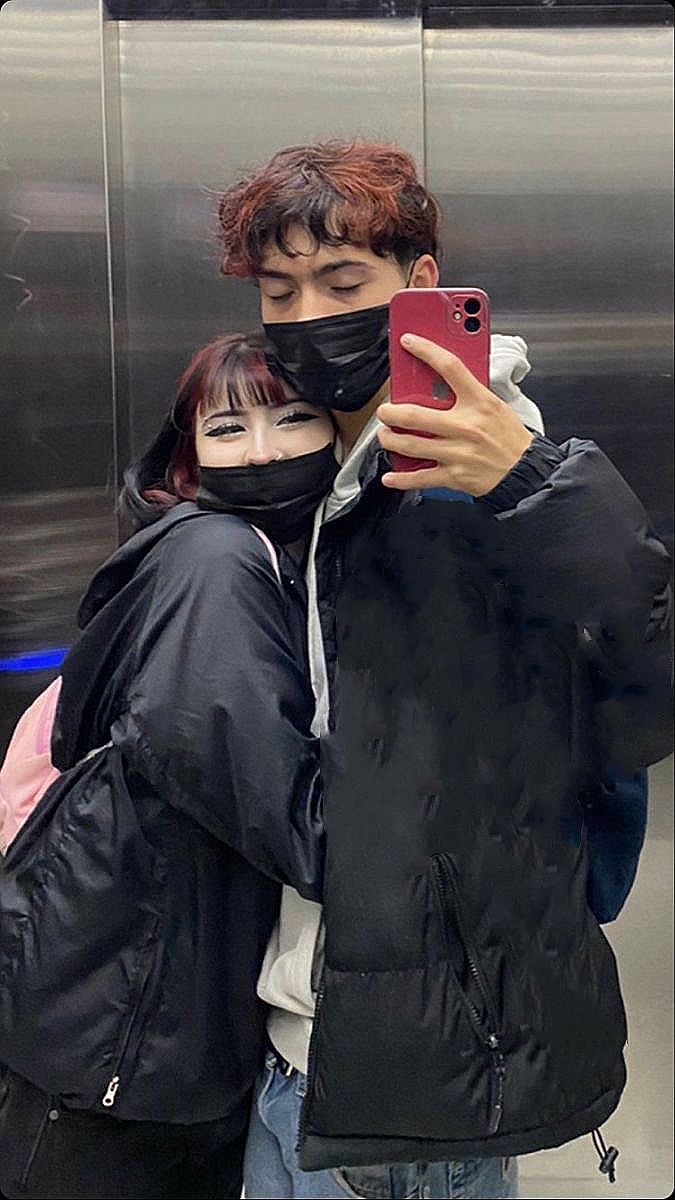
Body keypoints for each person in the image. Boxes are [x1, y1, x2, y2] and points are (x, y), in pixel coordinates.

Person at [216, 140, 674, 1199]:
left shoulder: (517, 471)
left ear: (422, 286)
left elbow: (647, 687)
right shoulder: (307, 458)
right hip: (291, 1032)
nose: (305, 315)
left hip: (424, 1057)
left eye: (342, 282)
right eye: (279, 290)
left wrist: (524, 481)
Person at [0, 333, 339, 1200]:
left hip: (159, 1014)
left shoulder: (282, 566)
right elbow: (292, 822)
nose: (262, 451)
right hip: (122, 1032)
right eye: (227, 430)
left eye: (293, 418)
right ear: (190, 459)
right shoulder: (217, 559)